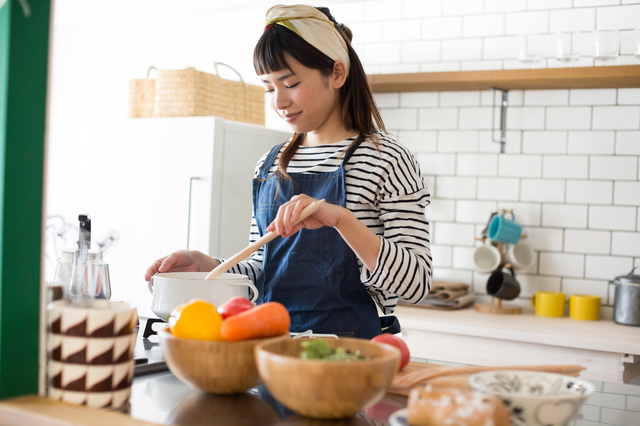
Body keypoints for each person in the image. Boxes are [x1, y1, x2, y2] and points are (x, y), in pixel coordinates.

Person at [144, 4, 432, 339]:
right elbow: (263, 270)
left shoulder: (387, 159)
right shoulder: (270, 164)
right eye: (269, 88)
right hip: (269, 353)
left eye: (290, 83)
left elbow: (417, 284)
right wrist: (207, 265)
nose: (279, 101)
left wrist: (342, 220)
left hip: (348, 361)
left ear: (337, 73)